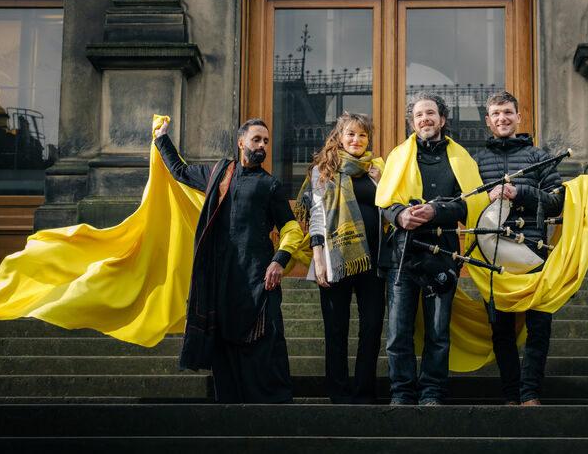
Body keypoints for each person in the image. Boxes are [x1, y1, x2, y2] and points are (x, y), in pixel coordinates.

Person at [154, 118, 303, 404]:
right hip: (221, 278)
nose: (262, 146)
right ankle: (230, 407)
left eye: (266, 142)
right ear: (241, 142)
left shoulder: (269, 185)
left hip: (258, 279)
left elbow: (291, 228)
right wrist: (162, 140)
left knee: (265, 343)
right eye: (257, 139)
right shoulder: (218, 174)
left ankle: (273, 409)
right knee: (223, 343)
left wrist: (279, 261)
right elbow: (181, 172)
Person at [376, 91, 483, 406]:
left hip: (443, 256)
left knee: (438, 333)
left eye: (430, 114)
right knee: (398, 333)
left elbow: (471, 205)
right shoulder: (398, 155)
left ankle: (432, 392)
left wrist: (437, 211)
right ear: (413, 121)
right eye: (419, 115)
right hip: (402, 256)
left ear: (442, 119)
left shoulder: (462, 158)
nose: (425, 119)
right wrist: (400, 214)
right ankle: (401, 393)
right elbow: (384, 202)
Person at [473, 91, 564, 406]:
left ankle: (530, 394)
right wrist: (484, 199)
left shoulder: (540, 156)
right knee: (501, 330)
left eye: (508, 112)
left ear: (518, 117)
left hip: (534, 252)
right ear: (488, 121)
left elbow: (557, 201)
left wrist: (519, 191)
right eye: (496, 114)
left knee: (539, 326)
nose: (502, 118)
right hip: (493, 254)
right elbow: (466, 205)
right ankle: (511, 394)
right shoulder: (477, 162)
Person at [297, 112, 385, 404]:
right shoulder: (325, 170)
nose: (356, 140)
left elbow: (390, 211)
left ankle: (363, 392)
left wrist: (381, 183)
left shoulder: (377, 170)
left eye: (362, 135)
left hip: (373, 260)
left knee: (372, 326)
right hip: (336, 259)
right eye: (350, 134)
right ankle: (338, 392)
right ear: (339, 137)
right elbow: (318, 215)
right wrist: (318, 258)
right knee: (336, 328)